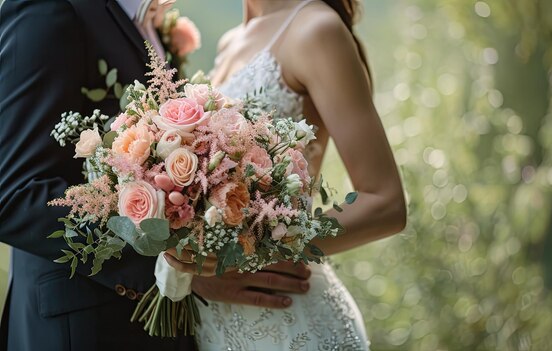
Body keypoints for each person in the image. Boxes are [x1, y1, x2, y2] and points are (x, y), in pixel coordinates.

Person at [0, 0, 311, 349]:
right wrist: (180, 269)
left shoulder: (147, 21)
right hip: (83, 328)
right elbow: (13, 194)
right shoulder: (51, 10)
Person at [164, 0, 406, 349]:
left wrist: (256, 249)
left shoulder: (316, 29)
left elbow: (385, 204)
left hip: (293, 325)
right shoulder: (230, 41)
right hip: (218, 328)